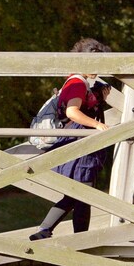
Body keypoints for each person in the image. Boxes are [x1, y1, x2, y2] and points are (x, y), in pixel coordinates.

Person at [29, 38, 112, 241]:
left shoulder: (76, 81)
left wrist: (98, 99)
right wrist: (98, 125)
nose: (98, 70)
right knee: (82, 194)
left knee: (80, 194)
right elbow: (73, 112)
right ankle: (75, 240)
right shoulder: (77, 82)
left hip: (77, 143)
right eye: (96, 64)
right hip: (78, 144)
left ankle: (47, 231)